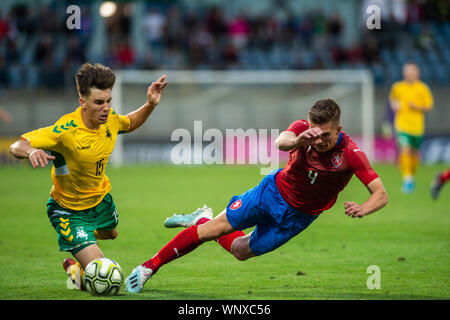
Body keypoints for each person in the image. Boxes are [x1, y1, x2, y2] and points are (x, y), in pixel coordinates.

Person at [125, 98, 389, 293]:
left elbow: (380, 193)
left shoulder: (351, 154)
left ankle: (200, 218)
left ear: (339, 128)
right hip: (271, 192)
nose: (319, 141)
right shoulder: (301, 130)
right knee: (213, 231)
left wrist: (364, 208)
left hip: (299, 217)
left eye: (326, 135)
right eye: (315, 133)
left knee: (240, 251)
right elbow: (281, 142)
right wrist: (299, 140)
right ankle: (150, 266)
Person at [9, 63, 168, 290]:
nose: (106, 108)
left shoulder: (110, 120)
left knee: (111, 233)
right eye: (99, 102)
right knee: (100, 278)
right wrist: (32, 151)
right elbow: (17, 145)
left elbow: (130, 122)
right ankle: (76, 256)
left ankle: (82, 244)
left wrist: (150, 104)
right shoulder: (65, 130)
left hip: (100, 199)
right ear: (83, 102)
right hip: (68, 210)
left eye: (108, 101)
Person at [389, 62, 433, 193]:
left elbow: (429, 106)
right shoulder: (397, 87)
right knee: (405, 150)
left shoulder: (423, 88)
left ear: (417, 73)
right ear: (404, 73)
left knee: (415, 155)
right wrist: (394, 105)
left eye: (412, 71)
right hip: (402, 125)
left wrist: (417, 107)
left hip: (417, 127)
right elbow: (392, 99)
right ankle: (407, 180)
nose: (409, 73)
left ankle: (411, 177)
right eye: (407, 71)